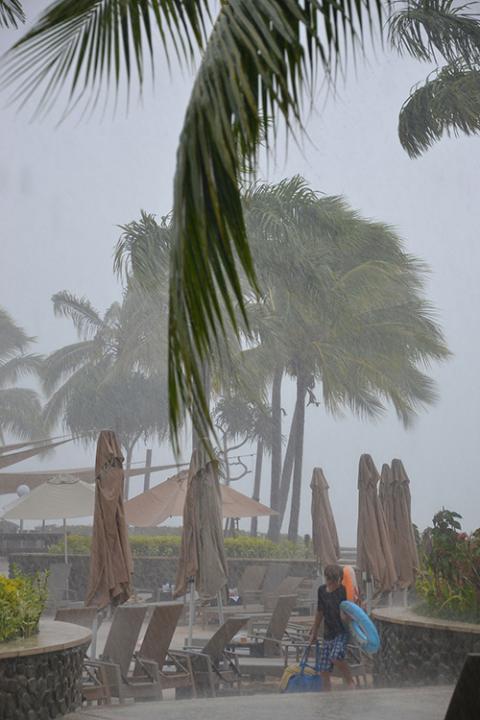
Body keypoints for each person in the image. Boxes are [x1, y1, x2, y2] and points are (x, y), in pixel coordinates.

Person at [308, 564, 355, 691]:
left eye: (337, 581)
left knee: (335, 657)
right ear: (327, 579)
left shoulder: (343, 590)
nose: (334, 584)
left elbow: (352, 609)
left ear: (340, 579)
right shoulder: (322, 591)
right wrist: (314, 631)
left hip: (341, 632)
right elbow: (320, 611)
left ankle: (350, 682)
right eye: (332, 581)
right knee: (324, 669)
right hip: (328, 633)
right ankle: (327, 695)